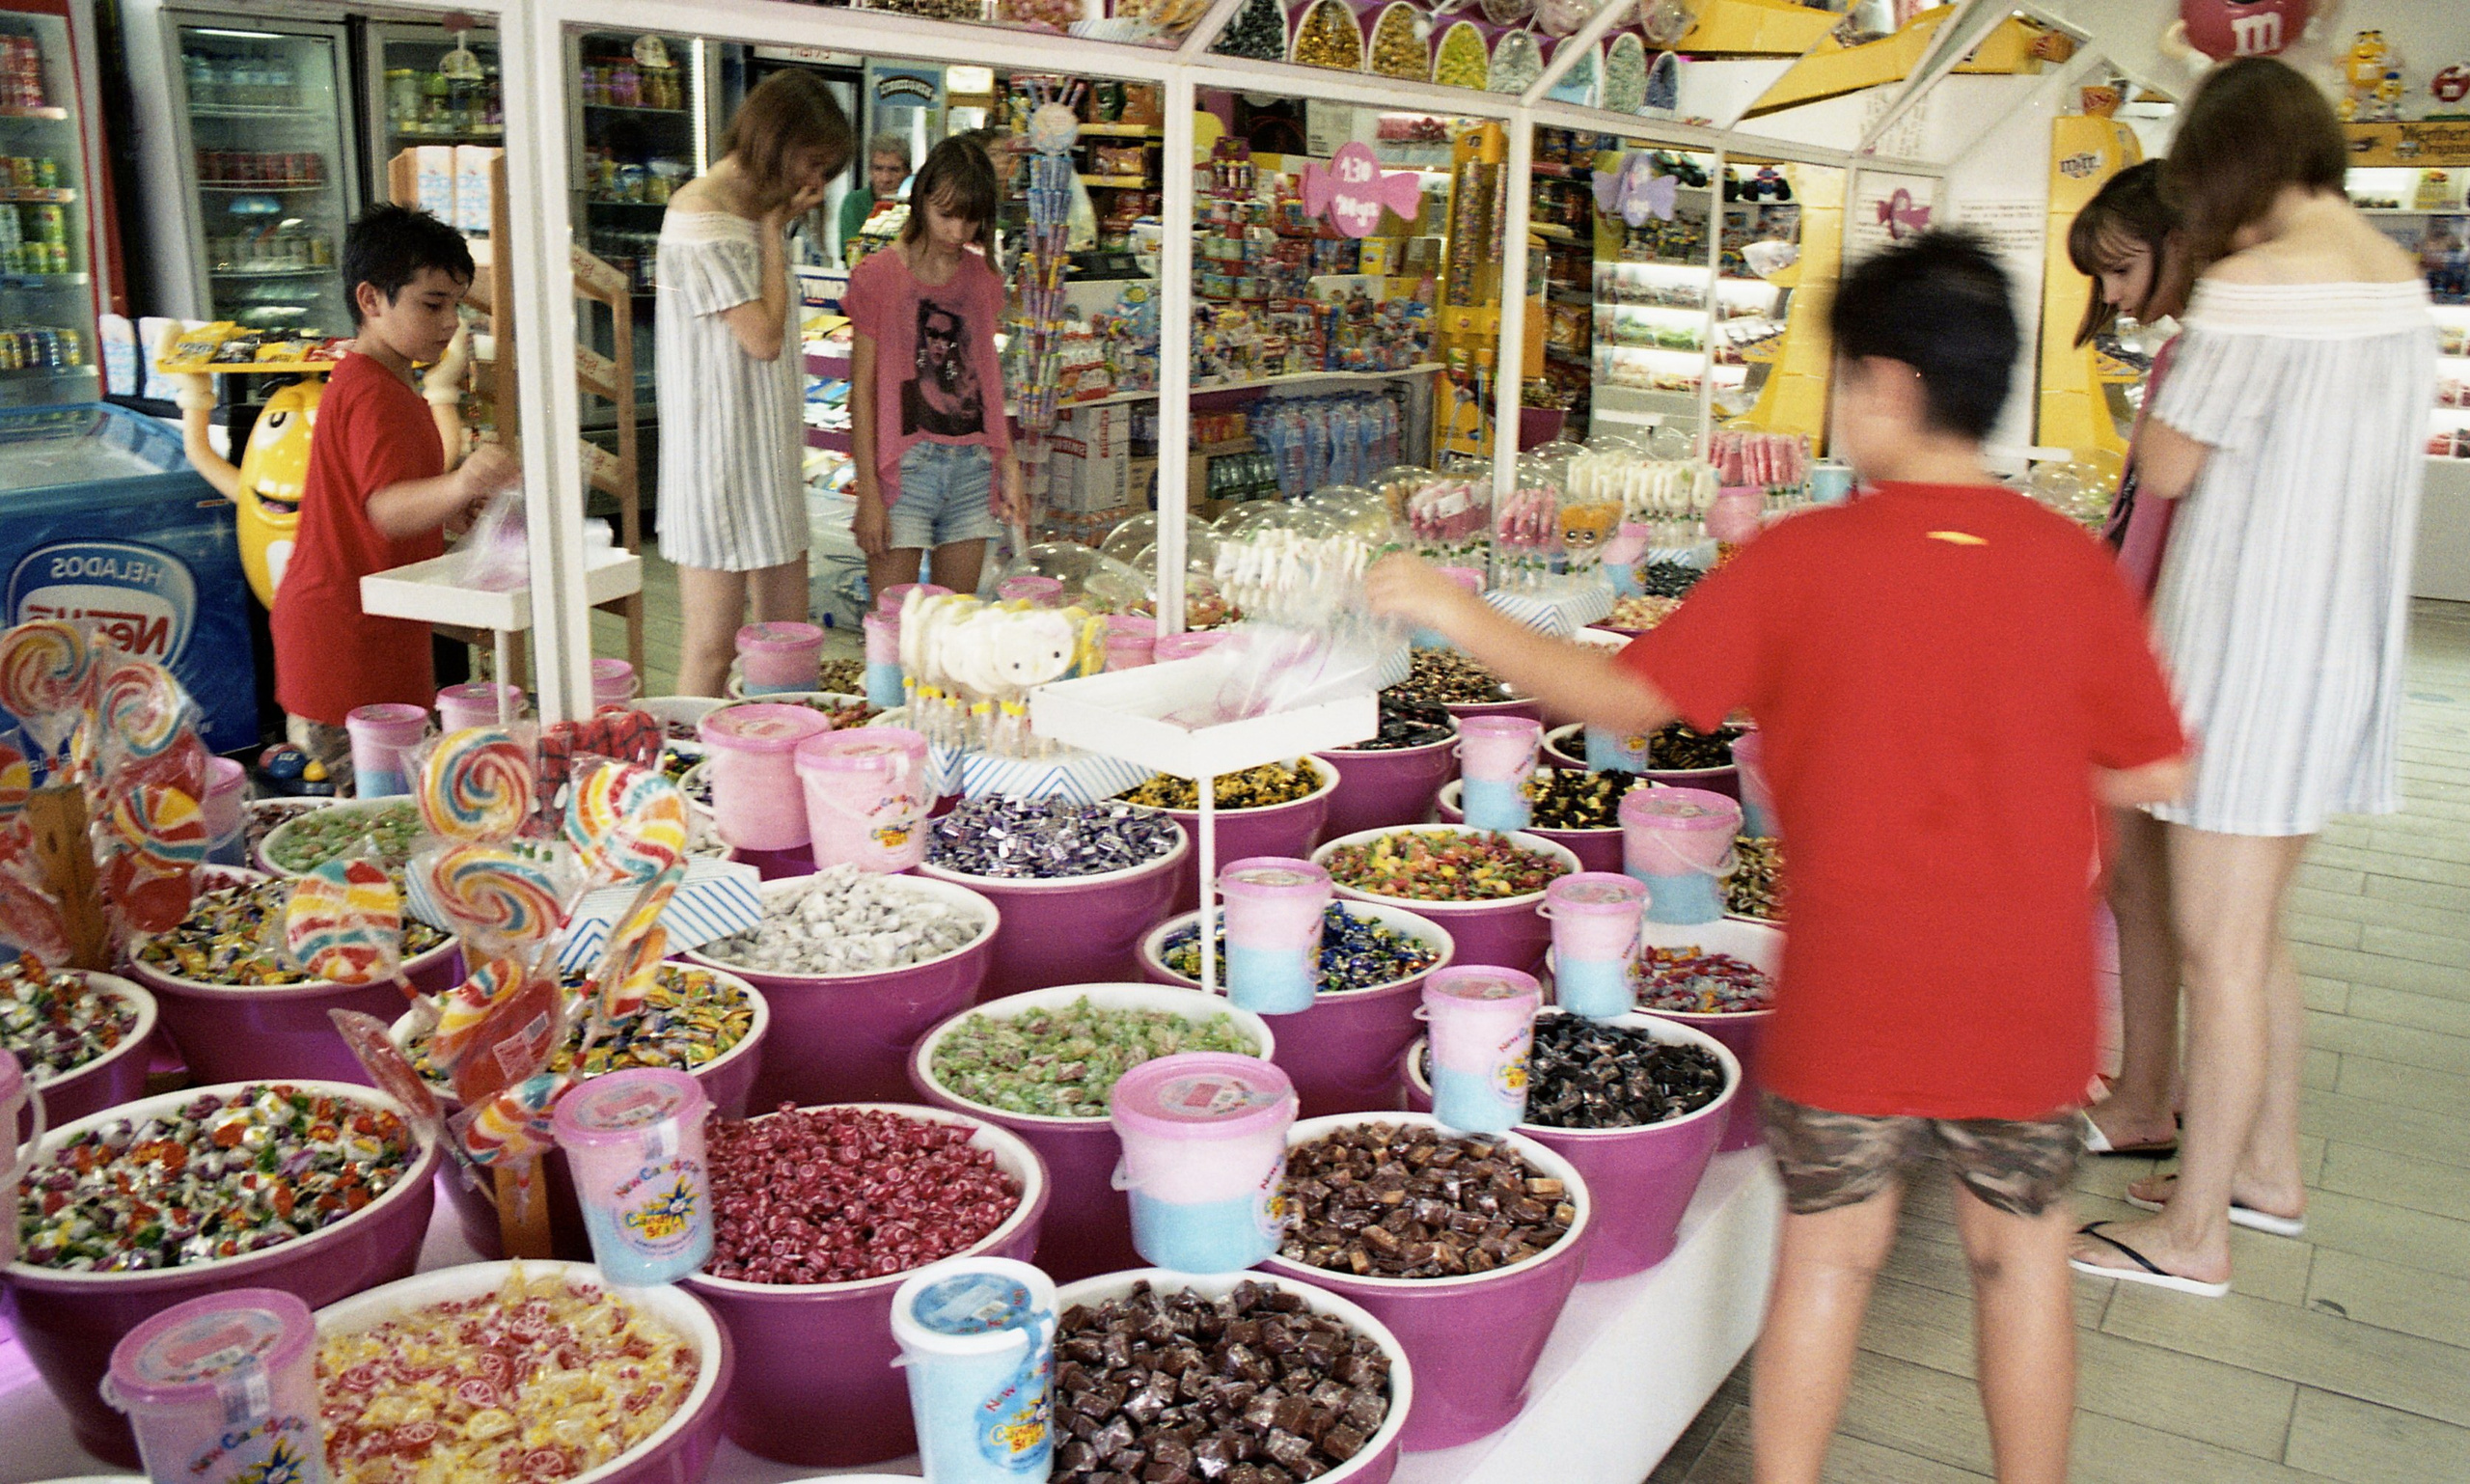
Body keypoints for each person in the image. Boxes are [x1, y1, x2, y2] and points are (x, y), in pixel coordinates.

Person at [1366, 231, 2188, 1484]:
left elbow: (1628, 699)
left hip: (1856, 988)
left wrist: (1456, 608)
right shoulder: (2069, 566)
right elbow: (2153, 766)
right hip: (2027, 996)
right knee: (2020, 1258)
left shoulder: (1808, 559)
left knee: (1827, 1263)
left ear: (1884, 387)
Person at [2068, 57, 2435, 1295]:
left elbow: (2165, 466)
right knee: (2257, 937)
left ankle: (2193, 1233)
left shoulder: (2253, 286)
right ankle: (2263, 1170)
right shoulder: (2394, 277)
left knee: (2218, 947)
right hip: (2335, 650)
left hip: (2245, 650)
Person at [270, 204, 515, 783]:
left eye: (457, 304)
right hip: (348, 643)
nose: (451, 321)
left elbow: (378, 498)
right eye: (432, 304)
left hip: (366, 627)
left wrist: (452, 506)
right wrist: (463, 480)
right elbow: (385, 510)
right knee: (380, 814)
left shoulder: (375, 381)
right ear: (371, 300)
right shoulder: (375, 394)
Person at [2067, 159, 2193, 1162]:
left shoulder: (2200, 360)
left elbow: (2161, 485)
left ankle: (2148, 1094)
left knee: (2147, 891)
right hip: (2141, 638)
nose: (2110, 296)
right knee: (2136, 888)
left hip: (2152, 647)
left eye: (2117, 269)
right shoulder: (2187, 358)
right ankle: (2148, 1085)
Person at [656, 70, 851, 697]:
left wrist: (772, 227)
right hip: (712, 459)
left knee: (787, 644)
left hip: (765, 450)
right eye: (813, 162)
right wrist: (773, 233)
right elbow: (763, 338)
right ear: (776, 139)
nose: (815, 184)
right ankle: (686, 781)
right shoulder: (700, 216)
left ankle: (770, 775)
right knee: (712, 648)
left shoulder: (755, 211)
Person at [845, 136, 1024, 599]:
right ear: (920, 198)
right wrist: (868, 492)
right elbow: (860, 392)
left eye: (970, 218)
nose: (958, 231)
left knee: (951, 634)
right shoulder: (878, 276)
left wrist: (1007, 464)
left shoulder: (982, 279)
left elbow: (987, 376)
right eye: (946, 214)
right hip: (905, 469)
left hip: (973, 465)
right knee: (895, 634)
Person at [840, 132, 910, 263]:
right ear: (869, 171)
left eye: (894, 170)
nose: (885, 178)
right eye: (878, 169)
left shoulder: (917, 208)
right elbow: (852, 256)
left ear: (908, 173)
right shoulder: (854, 203)